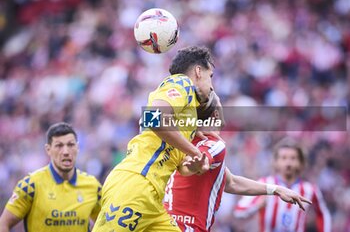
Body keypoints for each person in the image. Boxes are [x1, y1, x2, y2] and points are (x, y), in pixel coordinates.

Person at [92, 46, 215, 232]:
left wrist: (194, 165)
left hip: (154, 200)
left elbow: (180, 166)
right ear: (198, 71)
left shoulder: (185, 119)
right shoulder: (181, 83)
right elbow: (153, 118)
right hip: (135, 184)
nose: (212, 85)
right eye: (210, 75)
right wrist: (194, 150)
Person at [164, 93, 312, 232]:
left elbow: (231, 182)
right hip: (186, 227)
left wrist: (276, 190)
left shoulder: (178, 139)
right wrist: (194, 166)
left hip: (163, 222)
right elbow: (191, 166)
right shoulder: (215, 144)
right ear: (216, 114)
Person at [0, 122, 102, 232]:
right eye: (59, 146)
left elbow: (106, 222)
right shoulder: (30, 185)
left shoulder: (92, 185)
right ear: (48, 149)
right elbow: (4, 224)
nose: (66, 152)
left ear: (77, 147)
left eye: (70, 145)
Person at [234, 137, 331, 232]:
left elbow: (323, 215)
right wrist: (257, 205)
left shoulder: (309, 189)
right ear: (276, 162)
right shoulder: (264, 184)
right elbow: (239, 211)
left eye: (293, 158)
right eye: (283, 158)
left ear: (300, 162)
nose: (288, 163)